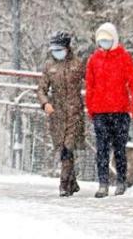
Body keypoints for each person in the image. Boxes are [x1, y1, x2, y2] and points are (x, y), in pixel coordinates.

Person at [86, 22, 133, 198]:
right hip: (100, 111)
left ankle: (121, 181)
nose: (104, 43)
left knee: (119, 148)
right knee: (101, 148)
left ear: (115, 39)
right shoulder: (94, 60)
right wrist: (91, 108)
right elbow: (90, 85)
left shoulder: (124, 58)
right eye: (101, 40)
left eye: (107, 40)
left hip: (120, 110)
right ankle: (103, 183)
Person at [37, 31, 85, 197]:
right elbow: (41, 89)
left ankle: (64, 184)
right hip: (57, 113)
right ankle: (72, 182)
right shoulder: (49, 66)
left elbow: (91, 82)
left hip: (74, 112)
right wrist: (45, 103)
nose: (57, 52)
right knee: (62, 147)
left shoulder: (78, 64)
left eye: (59, 49)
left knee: (68, 147)